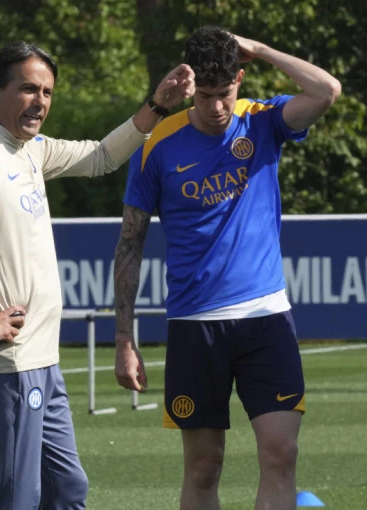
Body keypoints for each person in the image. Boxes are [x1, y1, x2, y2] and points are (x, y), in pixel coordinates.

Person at [0, 41, 193, 509]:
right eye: (28, 89)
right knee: (3, 497)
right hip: (6, 362)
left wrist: (159, 105)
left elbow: (102, 156)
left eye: (47, 92)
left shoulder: (28, 149)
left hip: (42, 360)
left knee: (66, 489)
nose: (40, 101)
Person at [113, 26, 340, 510]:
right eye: (206, 96)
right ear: (189, 86)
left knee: (281, 455)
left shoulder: (263, 120)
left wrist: (259, 49)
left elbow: (327, 91)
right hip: (195, 325)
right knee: (203, 467)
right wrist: (124, 340)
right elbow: (131, 243)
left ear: (240, 79)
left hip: (266, 319)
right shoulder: (156, 144)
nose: (217, 108)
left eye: (225, 93)